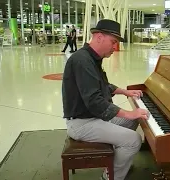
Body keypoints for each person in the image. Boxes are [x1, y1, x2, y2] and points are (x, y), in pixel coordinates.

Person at [62, 19, 149, 180]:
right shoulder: (82, 60)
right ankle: (110, 176)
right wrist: (129, 113)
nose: (115, 48)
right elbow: (95, 102)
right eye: (113, 42)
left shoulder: (91, 58)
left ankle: (117, 163)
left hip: (93, 118)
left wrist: (125, 92)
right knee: (134, 139)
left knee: (134, 122)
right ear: (99, 37)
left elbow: (103, 85)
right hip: (82, 123)